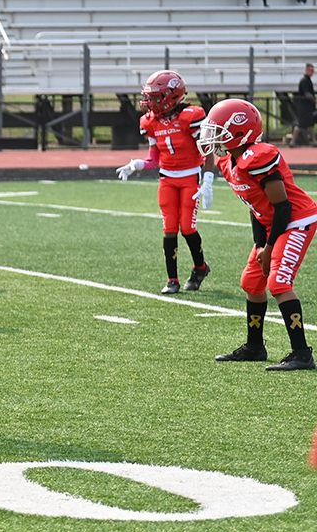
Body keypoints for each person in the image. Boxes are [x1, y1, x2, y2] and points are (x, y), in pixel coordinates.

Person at [200, 99, 316, 371]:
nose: (213, 136)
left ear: (241, 133)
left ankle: (302, 353)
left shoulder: (259, 157)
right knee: (252, 282)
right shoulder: (229, 161)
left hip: (296, 220)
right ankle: (255, 347)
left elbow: (283, 206)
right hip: (270, 223)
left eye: (219, 130)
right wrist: (260, 245)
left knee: (278, 282)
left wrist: (271, 245)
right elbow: (255, 207)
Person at [116, 71, 214, 294]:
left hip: (190, 176)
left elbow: (207, 150)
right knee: (169, 228)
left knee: (188, 228)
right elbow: (154, 160)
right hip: (167, 179)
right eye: (149, 97)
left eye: (155, 97)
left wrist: (208, 179)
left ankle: (200, 268)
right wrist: (136, 165)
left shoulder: (192, 115)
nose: (149, 102)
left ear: (171, 96)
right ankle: (173, 280)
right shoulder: (150, 121)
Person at [293, 64, 315, 147]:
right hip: (304, 107)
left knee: (310, 124)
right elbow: (307, 93)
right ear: (306, 70)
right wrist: (315, 100)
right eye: (310, 70)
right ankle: (292, 142)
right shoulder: (304, 81)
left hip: (308, 107)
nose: (312, 72)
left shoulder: (308, 80)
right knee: (300, 124)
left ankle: (313, 141)